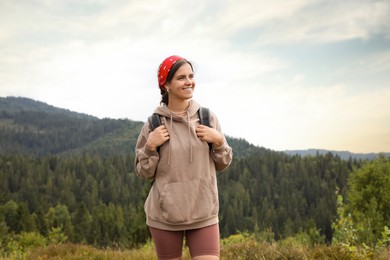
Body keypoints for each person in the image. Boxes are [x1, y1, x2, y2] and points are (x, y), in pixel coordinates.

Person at [135, 55, 233, 260]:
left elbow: (223, 163)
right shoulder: (153, 125)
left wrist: (219, 142)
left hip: (204, 213)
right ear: (166, 84)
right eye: (181, 78)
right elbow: (144, 172)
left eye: (191, 76)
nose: (189, 82)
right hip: (165, 217)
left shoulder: (207, 118)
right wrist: (150, 147)